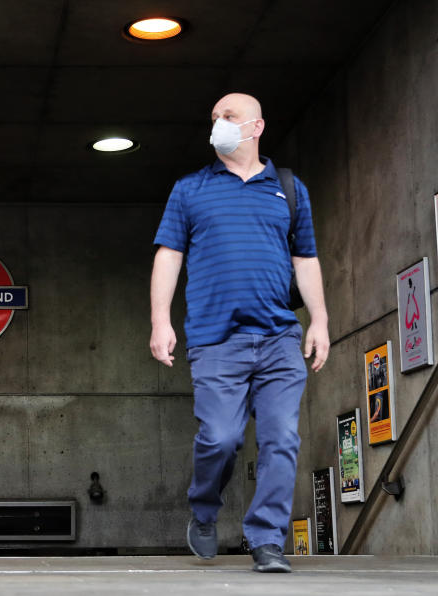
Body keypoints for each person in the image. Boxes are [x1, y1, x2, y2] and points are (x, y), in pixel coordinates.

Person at [149, 93, 329, 573]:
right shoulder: (190, 190)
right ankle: (204, 510)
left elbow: (305, 259)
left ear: (256, 126)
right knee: (222, 438)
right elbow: (168, 256)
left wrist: (321, 322)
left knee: (281, 439)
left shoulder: (289, 189)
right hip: (215, 339)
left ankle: (266, 539)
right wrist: (160, 321)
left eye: (228, 117)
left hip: (278, 337)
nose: (218, 125)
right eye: (213, 118)